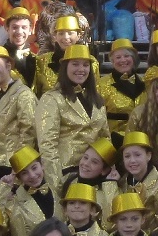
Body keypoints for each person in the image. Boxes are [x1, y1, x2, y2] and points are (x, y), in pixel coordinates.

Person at [35, 44, 108, 191]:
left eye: (85, 65)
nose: (81, 69)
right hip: (66, 173)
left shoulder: (96, 99)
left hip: (95, 174)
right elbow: (47, 145)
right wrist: (56, 183)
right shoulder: (51, 99)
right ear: (65, 67)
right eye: (75, 64)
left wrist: (108, 170)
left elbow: (105, 139)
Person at [0, 46, 38, 181]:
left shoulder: (23, 94)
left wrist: (19, 168)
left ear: (8, 65)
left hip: (10, 167)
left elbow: (29, 132)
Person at [117, 131, 158, 226]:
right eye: (127, 156)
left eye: (137, 155)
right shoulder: (122, 183)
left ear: (148, 156)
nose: (132, 160)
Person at [57, 137, 121, 229]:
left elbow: (110, 225)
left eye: (94, 162)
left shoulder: (107, 192)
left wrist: (110, 184)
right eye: (85, 157)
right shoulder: (68, 179)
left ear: (104, 170)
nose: (86, 164)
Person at [0, 147, 56, 236]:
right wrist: (2, 190)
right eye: (24, 173)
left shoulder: (56, 191)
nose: (32, 175)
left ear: (42, 165)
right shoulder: (13, 203)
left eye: (34, 168)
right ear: (19, 178)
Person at [32, 14, 98, 98]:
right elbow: (35, 93)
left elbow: (95, 93)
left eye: (70, 33)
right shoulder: (42, 61)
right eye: (61, 33)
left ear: (78, 36)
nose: (66, 37)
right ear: (55, 36)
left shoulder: (91, 62)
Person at [99, 38, 145, 144]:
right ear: (112, 61)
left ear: (133, 58)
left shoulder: (145, 83)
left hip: (141, 140)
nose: (123, 60)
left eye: (127, 56)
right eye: (118, 57)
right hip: (113, 142)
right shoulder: (101, 84)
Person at [1, 7, 38, 86]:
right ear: (7, 29)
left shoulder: (37, 58)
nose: (19, 32)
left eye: (24, 27)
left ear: (30, 30)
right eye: (15, 27)